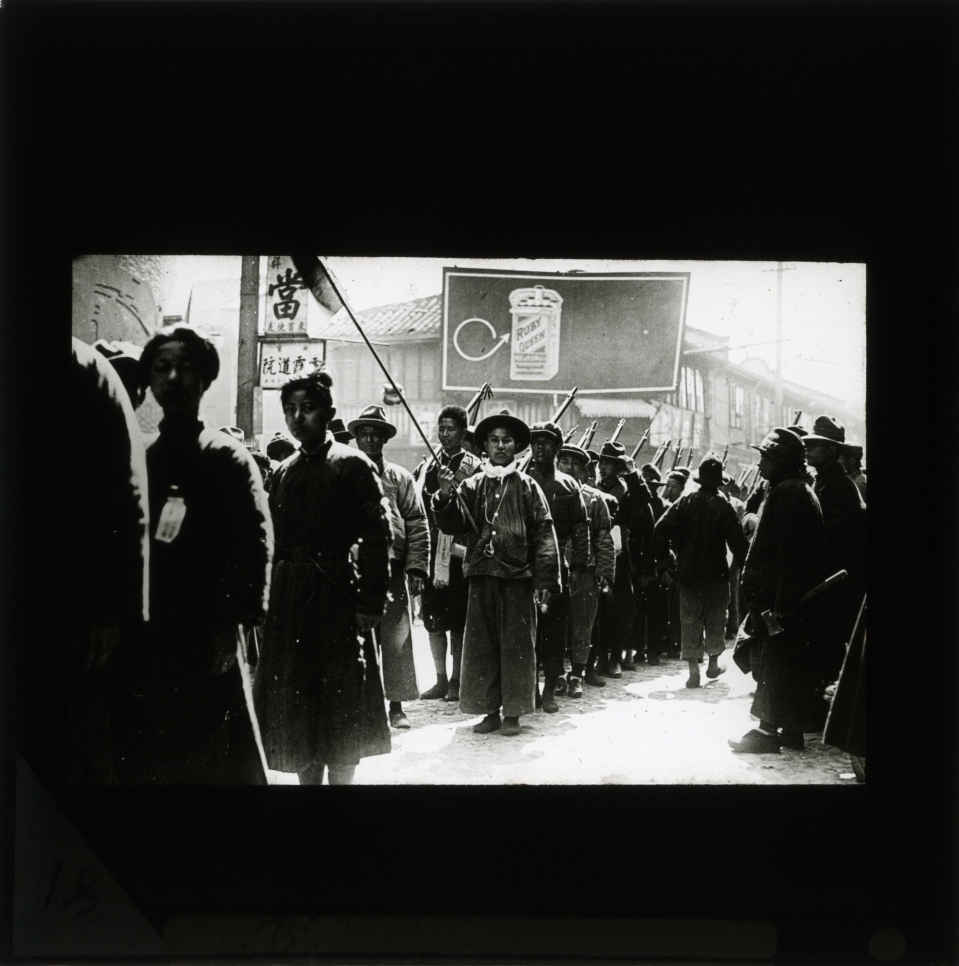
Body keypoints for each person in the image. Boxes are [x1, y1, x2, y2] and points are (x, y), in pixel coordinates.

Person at [128, 326, 273, 784]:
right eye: (162, 368)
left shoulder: (227, 458)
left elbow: (254, 544)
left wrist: (230, 624)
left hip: (207, 631)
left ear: (205, 380)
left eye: (186, 368)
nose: (173, 377)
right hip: (149, 633)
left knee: (218, 760)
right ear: (150, 381)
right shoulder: (140, 457)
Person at [253, 371, 392, 785]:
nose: (298, 418)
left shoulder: (353, 466)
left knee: (340, 700)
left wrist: (369, 603)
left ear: (328, 412)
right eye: (290, 410)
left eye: (308, 408)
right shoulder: (283, 472)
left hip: (335, 597)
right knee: (297, 704)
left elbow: (377, 539)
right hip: (290, 603)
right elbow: (271, 542)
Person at [431, 412, 560, 737]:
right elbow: (452, 524)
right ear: (485, 446)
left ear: (516, 446)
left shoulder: (528, 486)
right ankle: (489, 712)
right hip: (481, 576)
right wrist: (445, 494)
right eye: (494, 440)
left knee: (517, 646)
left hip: (518, 579)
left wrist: (546, 580)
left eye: (507, 440)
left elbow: (544, 532)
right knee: (481, 647)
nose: (500, 446)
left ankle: (513, 714)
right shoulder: (471, 485)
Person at [57, 339, 150, 785]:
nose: (135, 392)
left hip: (89, 602)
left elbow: (122, 505)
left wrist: (106, 606)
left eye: (138, 384)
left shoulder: (88, 373)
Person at [729, 428, 827, 754]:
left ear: (780, 461)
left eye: (765, 458)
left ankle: (767, 732)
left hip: (780, 601)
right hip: (786, 598)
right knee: (790, 666)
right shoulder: (795, 490)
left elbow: (790, 555)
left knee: (774, 664)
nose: (759, 465)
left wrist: (782, 602)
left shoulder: (789, 493)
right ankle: (791, 731)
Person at [349, 404, 430, 730]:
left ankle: (396, 707)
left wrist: (416, 568)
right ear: (356, 439)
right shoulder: (344, 474)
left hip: (392, 570)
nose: (370, 440)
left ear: (384, 439)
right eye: (364, 434)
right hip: (355, 569)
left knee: (396, 640)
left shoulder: (400, 478)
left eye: (376, 434)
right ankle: (362, 707)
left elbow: (417, 522)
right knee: (358, 638)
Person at [654, 456, 750, 688]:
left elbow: (659, 530)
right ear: (719, 482)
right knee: (716, 618)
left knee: (689, 619)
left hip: (687, 573)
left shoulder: (685, 501)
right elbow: (738, 544)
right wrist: (746, 567)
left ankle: (693, 671)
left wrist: (667, 559)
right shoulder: (724, 506)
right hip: (716, 573)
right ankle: (713, 664)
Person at [413, 405, 483, 702]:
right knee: (433, 618)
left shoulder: (475, 467)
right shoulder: (428, 465)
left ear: (463, 432)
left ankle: (457, 679)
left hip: (459, 552)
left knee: (457, 619)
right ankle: (440, 679)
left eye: (450, 429)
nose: (444, 434)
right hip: (432, 551)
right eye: (441, 429)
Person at [527, 422, 589, 708]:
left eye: (547, 442)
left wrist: (577, 565)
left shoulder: (568, 485)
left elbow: (580, 527)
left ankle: (549, 691)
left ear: (558, 448)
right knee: (525, 634)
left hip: (556, 569)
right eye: (535, 442)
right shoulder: (521, 480)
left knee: (554, 634)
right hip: (524, 568)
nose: (540, 447)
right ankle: (527, 691)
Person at [802, 415, 867, 682]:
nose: (807, 449)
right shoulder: (822, 481)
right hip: (824, 582)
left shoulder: (842, 486)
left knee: (830, 648)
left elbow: (839, 535)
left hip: (836, 585)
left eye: (815, 445)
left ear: (831, 450)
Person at [557, 443, 615, 689]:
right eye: (564, 462)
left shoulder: (595, 499)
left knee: (583, 624)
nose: (569, 468)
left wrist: (605, 571)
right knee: (555, 626)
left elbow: (604, 537)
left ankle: (578, 675)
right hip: (554, 570)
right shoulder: (547, 492)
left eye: (575, 464)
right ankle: (557, 675)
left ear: (583, 470)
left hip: (586, 572)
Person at [594, 442, 651, 678]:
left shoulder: (627, 490)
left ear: (619, 468)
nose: (604, 468)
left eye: (610, 464)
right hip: (596, 552)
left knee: (621, 606)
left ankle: (615, 658)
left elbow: (643, 499)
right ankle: (600, 657)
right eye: (602, 463)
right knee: (598, 608)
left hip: (620, 553)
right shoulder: (592, 486)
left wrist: (632, 471)